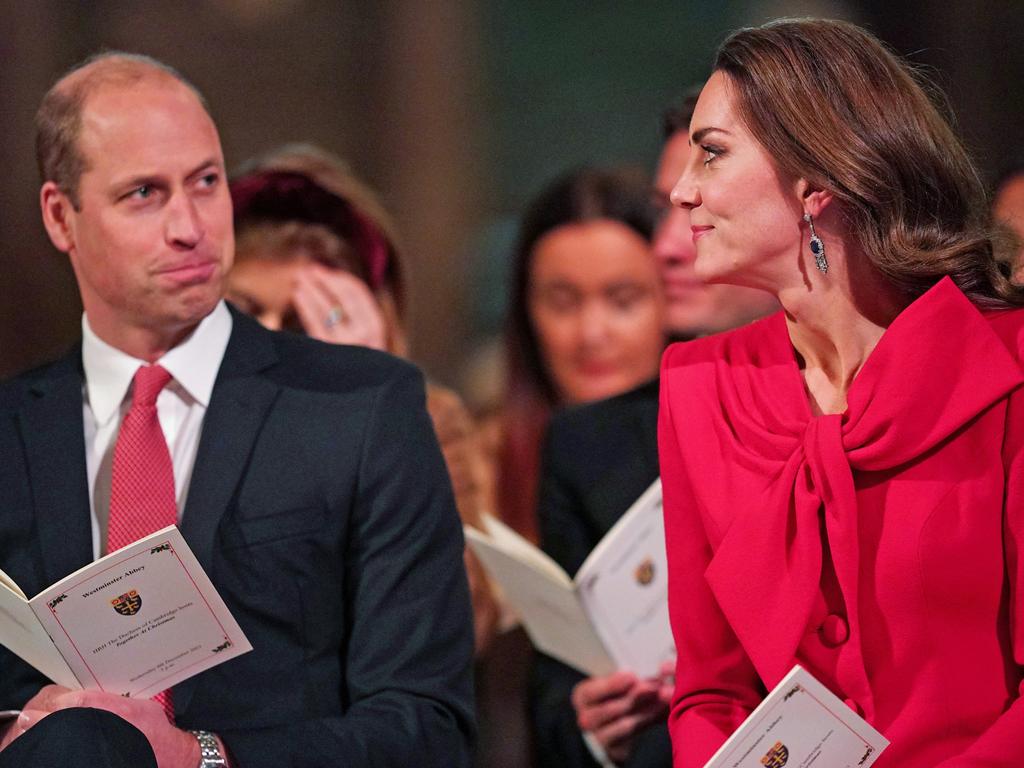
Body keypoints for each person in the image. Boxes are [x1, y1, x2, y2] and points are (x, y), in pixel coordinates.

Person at [0, 52, 474, 767]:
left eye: (206, 182)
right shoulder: (10, 430)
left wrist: (203, 757)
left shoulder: (362, 408)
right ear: (61, 216)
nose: (189, 227)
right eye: (143, 195)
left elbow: (427, 727)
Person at [660, 19, 1024, 767]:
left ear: (815, 179)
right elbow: (709, 692)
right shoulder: (696, 387)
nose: (680, 190)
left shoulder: (1006, 365)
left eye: (713, 154)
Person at [530, 94, 777, 768]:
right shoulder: (592, 443)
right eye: (663, 208)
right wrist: (592, 726)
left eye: (693, 202)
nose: (664, 247)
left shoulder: (899, 393)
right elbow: (551, 701)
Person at [225, 143, 500, 653]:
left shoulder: (431, 419)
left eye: (296, 323)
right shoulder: (178, 413)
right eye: (244, 313)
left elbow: (463, 623)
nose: (265, 340)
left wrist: (367, 400)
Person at [497, 167, 666, 542]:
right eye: (562, 303)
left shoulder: (724, 458)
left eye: (624, 302)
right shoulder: (478, 467)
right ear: (526, 312)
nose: (592, 333)